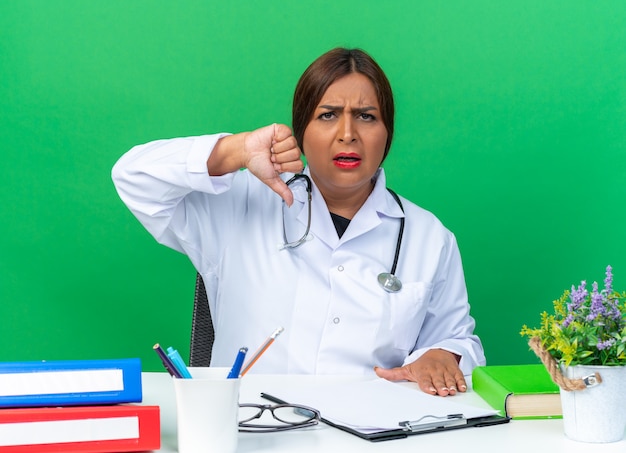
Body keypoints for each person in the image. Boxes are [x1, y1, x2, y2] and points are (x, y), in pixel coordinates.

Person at [112, 48, 485, 396]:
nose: (347, 133)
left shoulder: (428, 237)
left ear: (387, 133)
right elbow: (133, 177)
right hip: (252, 431)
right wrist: (237, 150)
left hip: (372, 432)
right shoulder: (237, 204)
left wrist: (444, 355)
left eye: (366, 116)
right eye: (327, 115)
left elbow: (458, 340)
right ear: (300, 131)